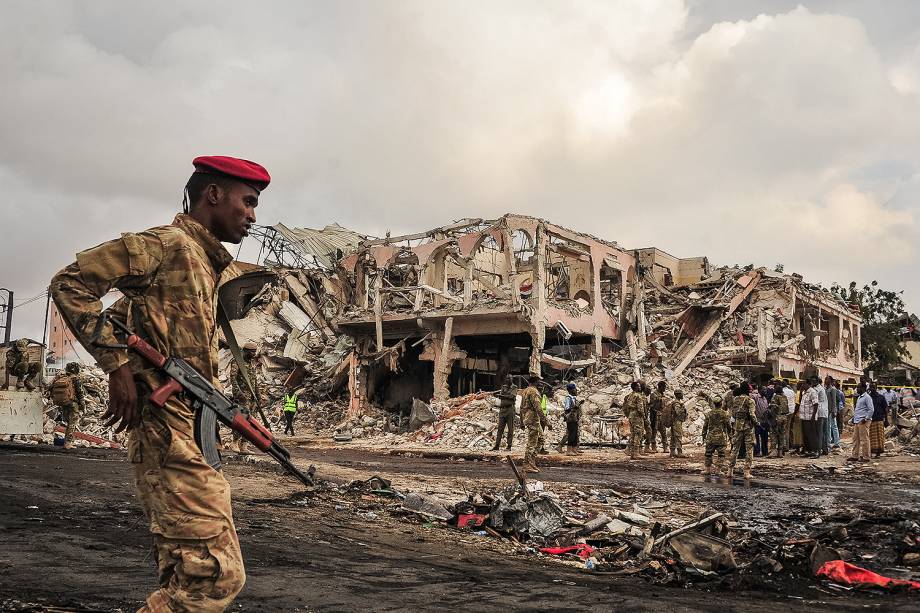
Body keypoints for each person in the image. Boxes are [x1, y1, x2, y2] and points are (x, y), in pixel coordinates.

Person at [50, 155, 270, 611]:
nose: (253, 215)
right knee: (215, 577)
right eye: (247, 202)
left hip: (184, 424)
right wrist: (116, 367)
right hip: (163, 426)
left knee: (188, 570)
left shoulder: (205, 265)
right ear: (213, 194)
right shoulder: (167, 245)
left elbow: (132, 320)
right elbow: (69, 283)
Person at [228, 346, 262, 453]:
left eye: (255, 352)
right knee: (242, 419)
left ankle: (244, 445)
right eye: (252, 352)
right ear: (246, 351)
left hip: (252, 397)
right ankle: (234, 442)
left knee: (251, 421)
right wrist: (238, 393)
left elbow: (255, 381)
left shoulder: (251, 363)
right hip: (242, 397)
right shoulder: (237, 361)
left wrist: (258, 395)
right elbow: (233, 378)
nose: (254, 354)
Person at [50, 362, 86, 449]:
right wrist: (83, 405)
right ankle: (68, 443)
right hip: (73, 403)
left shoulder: (61, 378)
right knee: (72, 423)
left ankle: (67, 442)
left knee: (68, 422)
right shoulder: (76, 379)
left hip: (64, 403)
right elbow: (80, 393)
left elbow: (50, 387)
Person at [727, 381, 757, 479]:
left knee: (735, 448)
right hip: (748, 427)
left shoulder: (735, 399)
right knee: (749, 449)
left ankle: (730, 470)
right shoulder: (750, 400)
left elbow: (733, 413)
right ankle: (746, 472)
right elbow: (752, 414)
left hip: (737, 427)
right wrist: (756, 423)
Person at [519, 375, 544, 473]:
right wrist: (546, 421)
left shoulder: (525, 391)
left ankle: (531, 462)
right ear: (535, 381)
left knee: (541, 440)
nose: (541, 383)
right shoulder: (533, 392)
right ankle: (526, 464)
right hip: (533, 419)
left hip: (529, 419)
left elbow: (521, 407)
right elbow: (538, 408)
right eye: (539, 381)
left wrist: (521, 421)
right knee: (532, 442)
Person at [701, 397, 730, 476]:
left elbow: (705, 426)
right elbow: (728, 426)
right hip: (721, 437)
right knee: (721, 454)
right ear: (721, 403)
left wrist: (703, 436)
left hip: (710, 437)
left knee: (708, 454)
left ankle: (707, 470)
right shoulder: (725, 414)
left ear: (714, 404)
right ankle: (718, 470)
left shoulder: (709, 414)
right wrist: (730, 436)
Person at [848, 382, 873, 463]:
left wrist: (866, 419)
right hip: (857, 420)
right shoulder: (859, 397)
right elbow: (858, 410)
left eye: (858, 387)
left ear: (863, 388)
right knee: (855, 439)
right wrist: (853, 418)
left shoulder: (867, 397)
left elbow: (871, 409)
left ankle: (866, 457)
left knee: (864, 439)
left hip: (863, 421)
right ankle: (855, 455)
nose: (857, 389)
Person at [492, 375, 517, 451]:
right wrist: (504, 396)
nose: (508, 380)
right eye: (507, 378)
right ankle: (497, 446)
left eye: (510, 378)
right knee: (500, 428)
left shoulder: (514, 387)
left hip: (510, 409)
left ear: (512, 379)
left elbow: (512, 397)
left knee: (510, 428)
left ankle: (509, 446)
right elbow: (502, 397)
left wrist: (502, 396)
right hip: (503, 409)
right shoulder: (504, 387)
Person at [623, 382, 646, 460]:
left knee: (633, 434)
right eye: (638, 386)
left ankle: (632, 452)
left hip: (631, 415)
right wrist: (644, 416)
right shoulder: (638, 396)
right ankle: (636, 452)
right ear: (635, 387)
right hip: (637, 416)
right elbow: (640, 409)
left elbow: (626, 406)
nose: (640, 387)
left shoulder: (630, 396)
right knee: (638, 433)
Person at [799, 379, 819, 457]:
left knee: (812, 435)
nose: (802, 385)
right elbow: (800, 402)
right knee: (806, 435)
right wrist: (800, 392)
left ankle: (815, 451)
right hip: (804, 417)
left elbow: (816, 404)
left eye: (804, 384)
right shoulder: (804, 393)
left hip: (810, 417)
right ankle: (808, 451)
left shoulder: (813, 392)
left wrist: (813, 417)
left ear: (809, 384)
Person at [768, 381, 789, 457]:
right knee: (781, 434)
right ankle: (780, 452)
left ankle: (773, 451)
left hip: (777, 417)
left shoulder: (775, 397)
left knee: (773, 433)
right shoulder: (785, 397)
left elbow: (773, 408)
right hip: (784, 417)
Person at [868, 382, 889, 458]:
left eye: (873, 387)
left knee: (879, 437)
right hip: (871, 419)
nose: (872, 389)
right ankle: (872, 452)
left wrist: (886, 420)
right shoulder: (868, 397)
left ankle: (879, 453)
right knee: (872, 437)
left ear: (876, 387)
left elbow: (886, 409)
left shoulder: (881, 397)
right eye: (871, 387)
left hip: (880, 419)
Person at [562, 382, 582, 456]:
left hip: (575, 419)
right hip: (570, 419)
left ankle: (574, 449)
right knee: (571, 434)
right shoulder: (568, 398)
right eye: (574, 389)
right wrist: (575, 407)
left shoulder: (574, 398)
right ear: (571, 390)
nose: (576, 391)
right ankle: (569, 450)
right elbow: (567, 409)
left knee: (575, 434)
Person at [648, 381, 667, 453]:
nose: (665, 389)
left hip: (662, 415)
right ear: (660, 387)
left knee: (663, 431)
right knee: (654, 431)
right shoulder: (654, 395)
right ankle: (653, 447)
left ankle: (665, 447)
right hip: (655, 415)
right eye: (664, 387)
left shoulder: (662, 394)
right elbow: (653, 406)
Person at [824, 377, 841, 452]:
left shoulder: (833, 389)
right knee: (828, 426)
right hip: (827, 410)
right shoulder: (826, 389)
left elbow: (834, 401)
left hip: (831, 410)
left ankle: (836, 442)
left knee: (833, 426)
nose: (825, 381)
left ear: (830, 381)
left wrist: (834, 411)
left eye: (827, 379)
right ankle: (829, 441)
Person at [752, 385, 770, 457]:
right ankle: (757, 452)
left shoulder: (765, 399)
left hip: (765, 421)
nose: (765, 391)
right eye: (763, 389)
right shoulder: (756, 397)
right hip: (758, 420)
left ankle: (765, 452)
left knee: (765, 437)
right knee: (757, 437)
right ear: (759, 390)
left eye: (765, 390)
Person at [669, 389, 687, 458]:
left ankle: (672, 452)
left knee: (673, 437)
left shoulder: (677, 402)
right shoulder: (677, 403)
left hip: (675, 422)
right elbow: (678, 412)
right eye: (681, 394)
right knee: (678, 436)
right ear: (678, 395)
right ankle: (679, 452)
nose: (682, 395)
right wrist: (683, 408)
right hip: (677, 422)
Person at [814, 376, 829, 456]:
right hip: (824, 411)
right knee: (824, 432)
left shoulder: (817, 389)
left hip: (820, 412)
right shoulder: (822, 388)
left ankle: (818, 451)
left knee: (819, 433)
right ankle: (825, 449)